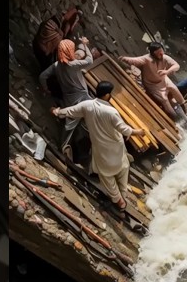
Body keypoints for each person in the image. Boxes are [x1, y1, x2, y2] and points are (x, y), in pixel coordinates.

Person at [52, 82, 148, 212]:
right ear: (107, 95)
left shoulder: (87, 105)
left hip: (100, 148)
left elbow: (69, 111)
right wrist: (139, 132)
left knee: (106, 175)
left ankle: (119, 200)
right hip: (116, 147)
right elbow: (125, 130)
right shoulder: (111, 111)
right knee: (123, 168)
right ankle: (122, 195)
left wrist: (56, 111)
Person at [39, 38, 94, 152]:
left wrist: (46, 89)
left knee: (71, 122)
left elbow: (42, 76)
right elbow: (90, 60)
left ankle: (64, 145)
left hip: (68, 97)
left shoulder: (56, 65)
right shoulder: (74, 64)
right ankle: (65, 147)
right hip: (82, 98)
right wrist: (85, 45)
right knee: (79, 122)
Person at [119, 42, 187, 121]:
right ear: (153, 54)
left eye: (162, 51)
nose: (161, 54)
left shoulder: (165, 57)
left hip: (163, 79)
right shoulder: (146, 59)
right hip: (152, 85)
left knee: (174, 88)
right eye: (159, 53)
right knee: (164, 99)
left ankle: (184, 105)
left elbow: (176, 66)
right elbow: (135, 60)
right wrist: (125, 59)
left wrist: (167, 71)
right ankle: (177, 119)